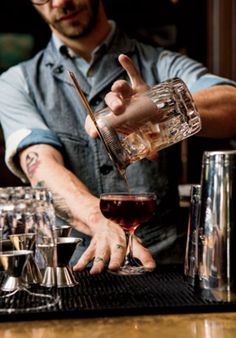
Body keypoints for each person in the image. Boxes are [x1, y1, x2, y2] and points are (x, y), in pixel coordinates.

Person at [0, 0, 236, 274]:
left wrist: (158, 108)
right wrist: (98, 219)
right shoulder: (17, 82)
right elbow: (42, 164)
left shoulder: (160, 62)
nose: (61, 1)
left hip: (165, 269)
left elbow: (231, 103)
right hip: (70, 270)